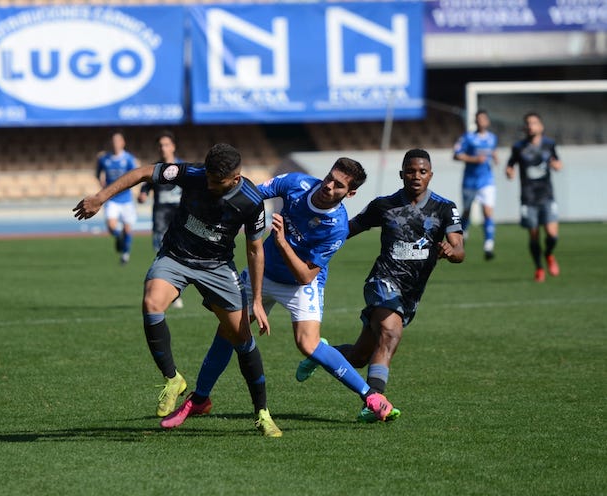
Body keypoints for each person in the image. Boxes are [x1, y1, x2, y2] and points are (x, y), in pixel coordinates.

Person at [159, 158, 395, 431]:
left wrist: (282, 242)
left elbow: (306, 275)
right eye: (329, 177)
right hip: (264, 273)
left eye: (338, 185)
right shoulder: (296, 183)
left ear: (349, 193)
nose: (328, 186)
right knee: (229, 331)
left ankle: (370, 396)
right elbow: (251, 196)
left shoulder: (337, 227)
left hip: (302, 284)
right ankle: (199, 399)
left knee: (308, 344)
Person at [73, 143, 281, 437]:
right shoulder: (192, 174)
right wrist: (101, 197)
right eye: (207, 178)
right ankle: (173, 379)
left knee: (242, 339)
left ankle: (262, 412)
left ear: (235, 179)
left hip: (217, 267)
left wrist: (257, 300)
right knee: (151, 303)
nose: (209, 184)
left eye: (216, 182)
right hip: (176, 257)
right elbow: (145, 173)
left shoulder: (250, 201)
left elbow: (255, 249)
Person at [298, 149, 465, 423]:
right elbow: (347, 229)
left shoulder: (445, 208)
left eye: (422, 171)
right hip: (382, 282)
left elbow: (460, 251)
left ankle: (320, 353)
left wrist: (451, 250)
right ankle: (374, 401)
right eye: (410, 171)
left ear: (430, 175)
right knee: (390, 333)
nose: (416, 176)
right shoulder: (384, 205)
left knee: (360, 355)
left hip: (411, 293)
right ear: (401, 174)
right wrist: (311, 245)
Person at [505, 112, 563, 283]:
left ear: (541, 126)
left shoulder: (549, 144)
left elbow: (558, 162)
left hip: (547, 195)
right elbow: (510, 165)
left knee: (552, 235)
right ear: (525, 127)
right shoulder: (518, 147)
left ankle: (549, 255)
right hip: (528, 197)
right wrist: (509, 171)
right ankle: (539, 267)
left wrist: (557, 165)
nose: (531, 126)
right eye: (528, 123)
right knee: (534, 235)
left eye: (534, 123)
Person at [137, 131, 184, 308]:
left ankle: (175, 290)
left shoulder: (182, 167)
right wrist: (142, 194)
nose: (163, 148)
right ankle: (167, 291)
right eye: (160, 145)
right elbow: (145, 185)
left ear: (173, 146)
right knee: (163, 254)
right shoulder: (155, 168)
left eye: (166, 144)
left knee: (179, 254)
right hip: (160, 216)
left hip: (179, 216)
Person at [453, 109, 499, 260]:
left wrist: (495, 157)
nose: (481, 121)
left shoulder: (492, 138)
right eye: (479, 119)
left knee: (487, 212)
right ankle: (463, 234)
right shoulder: (468, 137)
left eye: (484, 119)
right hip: (470, 180)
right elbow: (456, 155)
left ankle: (488, 244)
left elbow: (493, 152)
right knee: (466, 211)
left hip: (486, 180)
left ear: (488, 121)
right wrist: (474, 159)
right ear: (475, 121)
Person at [96, 130, 139, 265]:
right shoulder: (104, 159)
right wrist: (101, 182)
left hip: (126, 199)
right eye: (113, 141)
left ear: (123, 143)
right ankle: (118, 236)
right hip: (112, 199)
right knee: (111, 226)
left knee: (128, 229)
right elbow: (98, 173)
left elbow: (136, 175)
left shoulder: (128, 159)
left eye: (117, 141)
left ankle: (125, 254)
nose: (115, 144)